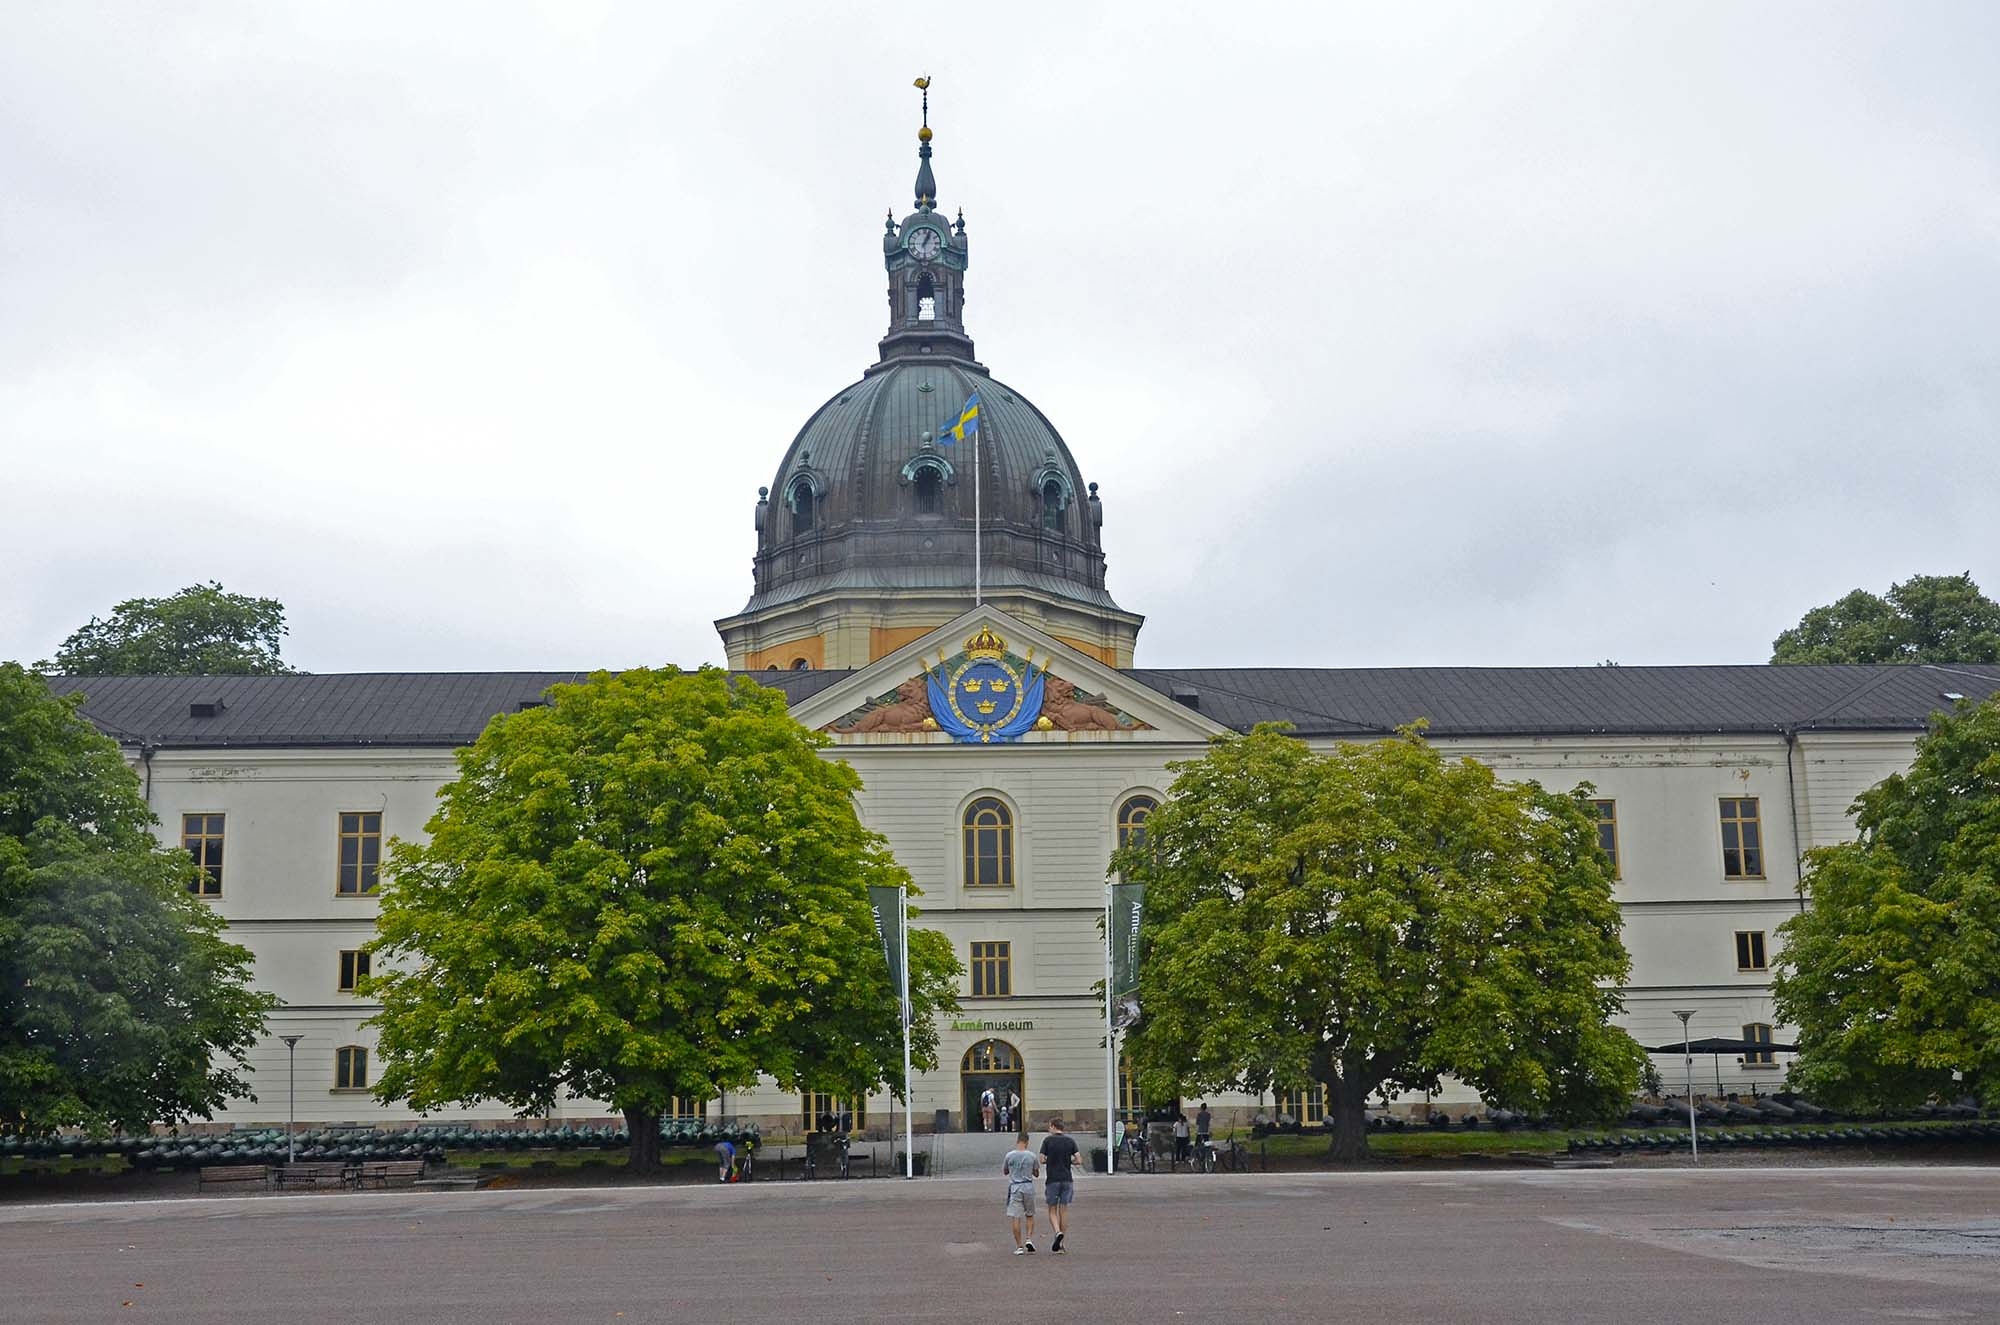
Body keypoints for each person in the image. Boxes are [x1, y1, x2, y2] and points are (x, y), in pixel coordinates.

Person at [1039, 1118, 1080, 1254]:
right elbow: (1079, 1160)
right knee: (1064, 1211)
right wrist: (1069, 1161)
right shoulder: (1070, 1141)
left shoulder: (1048, 1141)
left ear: (1053, 1126)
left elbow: (1042, 1159)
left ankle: (1057, 1232)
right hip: (1067, 1179)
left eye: (1049, 1127)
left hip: (1053, 1179)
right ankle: (1061, 1244)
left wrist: (1051, 1160)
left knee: (1052, 1210)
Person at [1002, 1131, 1040, 1254]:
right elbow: (1036, 1173)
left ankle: (1019, 1246)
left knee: (1016, 1216)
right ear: (1027, 1142)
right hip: (1028, 1186)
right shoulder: (1032, 1156)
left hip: (1015, 1187)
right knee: (1030, 1214)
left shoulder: (1009, 1155)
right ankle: (1028, 1238)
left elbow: (1005, 1171)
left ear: (1017, 1141)